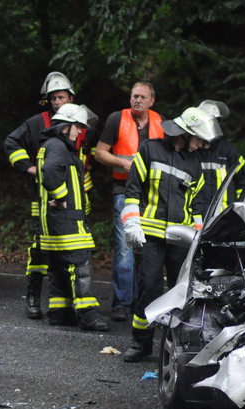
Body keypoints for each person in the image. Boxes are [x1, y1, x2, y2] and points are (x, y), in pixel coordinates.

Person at [120, 107, 221, 362]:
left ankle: (177, 344)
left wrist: (199, 237)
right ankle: (141, 342)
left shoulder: (195, 162)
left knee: (181, 291)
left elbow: (197, 204)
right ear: (185, 134)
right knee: (149, 287)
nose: (201, 145)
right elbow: (133, 190)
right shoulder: (150, 150)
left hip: (181, 237)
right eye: (198, 139)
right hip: (150, 236)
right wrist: (132, 224)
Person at [4, 72, 77, 319]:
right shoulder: (37, 122)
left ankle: (64, 303)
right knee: (39, 250)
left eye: (61, 97)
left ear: (71, 98)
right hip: (43, 199)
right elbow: (11, 143)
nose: (57, 102)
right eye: (53, 98)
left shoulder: (79, 122)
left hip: (72, 199)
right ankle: (33, 298)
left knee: (69, 250)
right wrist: (30, 168)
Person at [93, 82, 164, 322]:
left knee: (145, 249)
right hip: (123, 189)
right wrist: (123, 163)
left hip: (150, 194)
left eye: (143, 97)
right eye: (134, 96)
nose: (137, 100)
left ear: (152, 101)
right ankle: (121, 303)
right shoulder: (116, 119)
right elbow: (99, 152)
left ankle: (140, 301)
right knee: (124, 249)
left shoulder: (161, 123)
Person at [36, 104, 108, 331]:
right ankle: (89, 315)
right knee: (80, 265)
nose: (79, 132)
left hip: (53, 221)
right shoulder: (58, 146)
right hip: (66, 219)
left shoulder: (52, 145)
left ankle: (60, 312)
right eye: (77, 127)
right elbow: (50, 172)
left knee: (58, 268)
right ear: (65, 127)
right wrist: (62, 197)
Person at [194, 99, 245, 216]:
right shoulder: (191, 150)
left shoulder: (228, 151)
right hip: (195, 218)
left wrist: (240, 211)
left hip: (223, 218)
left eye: (218, 121)